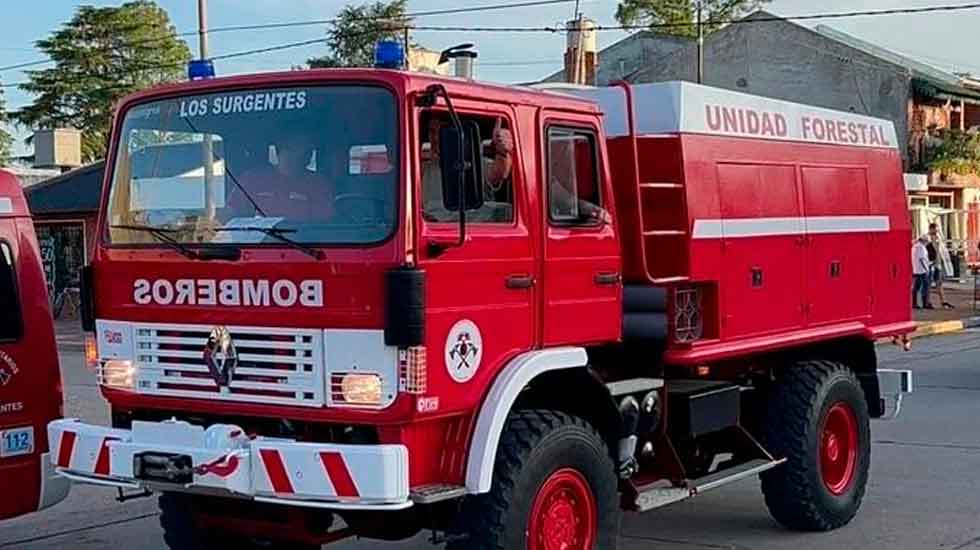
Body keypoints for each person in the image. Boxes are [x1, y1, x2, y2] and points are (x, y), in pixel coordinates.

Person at [420, 116, 514, 222]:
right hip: (433, 233)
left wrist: (502, 152)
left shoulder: (475, 163)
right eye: (432, 132)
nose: (436, 138)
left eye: (442, 131)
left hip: (472, 233)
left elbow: (499, 173)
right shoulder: (424, 169)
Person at [226, 134, 335, 223]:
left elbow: (322, 224)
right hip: (257, 245)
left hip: (304, 245)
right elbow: (231, 213)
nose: (306, 153)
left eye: (309, 149)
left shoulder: (318, 184)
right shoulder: (252, 179)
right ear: (281, 149)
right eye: (295, 147)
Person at [927, 222, 955, 309]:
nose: (937, 231)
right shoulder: (927, 238)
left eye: (937, 230)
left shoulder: (939, 238)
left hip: (938, 264)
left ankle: (943, 301)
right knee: (928, 284)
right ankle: (927, 301)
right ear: (931, 229)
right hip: (930, 264)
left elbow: (941, 251)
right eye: (935, 229)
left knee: (939, 283)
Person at [912, 235, 932, 309]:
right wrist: (926, 268)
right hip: (922, 270)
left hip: (916, 269)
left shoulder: (914, 246)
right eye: (927, 242)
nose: (927, 243)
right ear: (924, 241)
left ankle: (914, 303)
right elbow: (922, 259)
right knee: (925, 287)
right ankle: (925, 303)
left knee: (916, 287)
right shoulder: (921, 247)